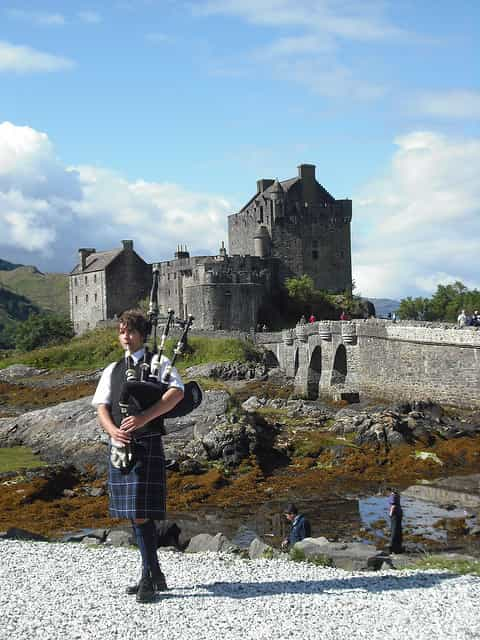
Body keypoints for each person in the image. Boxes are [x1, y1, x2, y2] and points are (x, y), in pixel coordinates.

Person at [92, 309, 184, 603]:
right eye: (121, 331)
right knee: (133, 513)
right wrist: (112, 432)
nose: (125, 337)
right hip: (121, 446)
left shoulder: (159, 362)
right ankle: (155, 573)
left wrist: (144, 417)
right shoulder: (112, 369)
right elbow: (102, 407)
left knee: (141, 512)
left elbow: (177, 393)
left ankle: (148, 578)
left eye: (130, 332)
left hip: (146, 443)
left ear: (142, 335)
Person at [388, 489, 403, 554]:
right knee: (398, 529)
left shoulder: (393, 496)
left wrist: (390, 513)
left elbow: (393, 505)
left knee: (394, 529)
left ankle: (392, 546)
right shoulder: (398, 495)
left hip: (395, 514)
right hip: (399, 513)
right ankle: (398, 545)